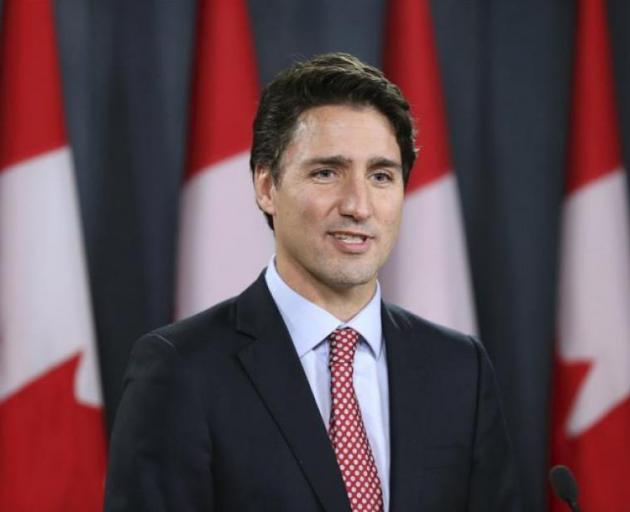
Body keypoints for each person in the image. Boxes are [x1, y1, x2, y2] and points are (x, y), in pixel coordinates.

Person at [104, 53, 521, 511]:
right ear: (266, 187)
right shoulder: (181, 370)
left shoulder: (460, 368)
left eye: (381, 176)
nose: (358, 206)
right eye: (327, 173)